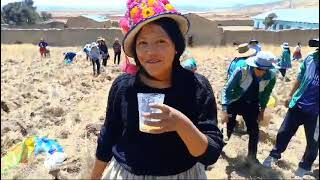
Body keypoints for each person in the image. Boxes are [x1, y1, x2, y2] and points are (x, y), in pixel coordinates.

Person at [90, 0, 223, 179]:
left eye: (161, 41)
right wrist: (94, 177)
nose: (150, 52)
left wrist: (181, 124)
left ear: (176, 47)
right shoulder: (123, 87)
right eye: (142, 43)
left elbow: (211, 154)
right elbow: (108, 137)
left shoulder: (196, 87)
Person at [263, 41, 319, 178]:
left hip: (316, 113)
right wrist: (290, 95)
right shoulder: (311, 58)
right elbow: (299, 78)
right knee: (284, 132)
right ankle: (274, 155)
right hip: (298, 104)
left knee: (314, 141)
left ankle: (305, 166)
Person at [221, 51, 278, 164]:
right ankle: (219, 148)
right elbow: (226, 89)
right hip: (235, 100)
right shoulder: (242, 71)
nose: (260, 72)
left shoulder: (270, 77)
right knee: (229, 126)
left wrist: (262, 110)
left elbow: (266, 94)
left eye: (263, 70)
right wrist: (224, 109)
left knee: (254, 131)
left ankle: (252, 158)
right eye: (258, 69)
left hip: (252, 104)